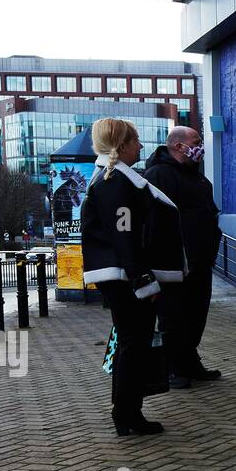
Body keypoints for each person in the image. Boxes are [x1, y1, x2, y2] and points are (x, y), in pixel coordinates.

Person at [80, 119, 186, 435]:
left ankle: (127, 412)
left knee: (132, 344)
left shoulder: (112, 180)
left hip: (124, 277)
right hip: (127, 280)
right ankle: (127, 415)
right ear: (122, 145)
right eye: (135, 139)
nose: (141, 145)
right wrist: (144, 282)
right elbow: (124, 238)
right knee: (133, 345)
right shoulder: (115, 183)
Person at [144, 127, 222, 387]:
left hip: (200, 262)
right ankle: (174, 367)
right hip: (175, 265)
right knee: (173, 316)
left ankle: (190, 361)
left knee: (196, 315)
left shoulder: (199, 180)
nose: (201, 147)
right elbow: (155, 221)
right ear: (178, 146)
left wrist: (211, 249)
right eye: (197, 142)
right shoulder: (159, 175)